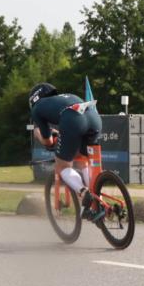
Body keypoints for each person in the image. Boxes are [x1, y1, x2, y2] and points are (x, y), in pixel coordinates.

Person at [28, 83, 102, 217]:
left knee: (62, 166)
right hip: (94, 118)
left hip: (73, 121)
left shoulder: (37, 108)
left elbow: (48, 141)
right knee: (83, 160)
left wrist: (38, 135)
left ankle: (84, 192)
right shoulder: (66, 97)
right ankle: (98, 200)